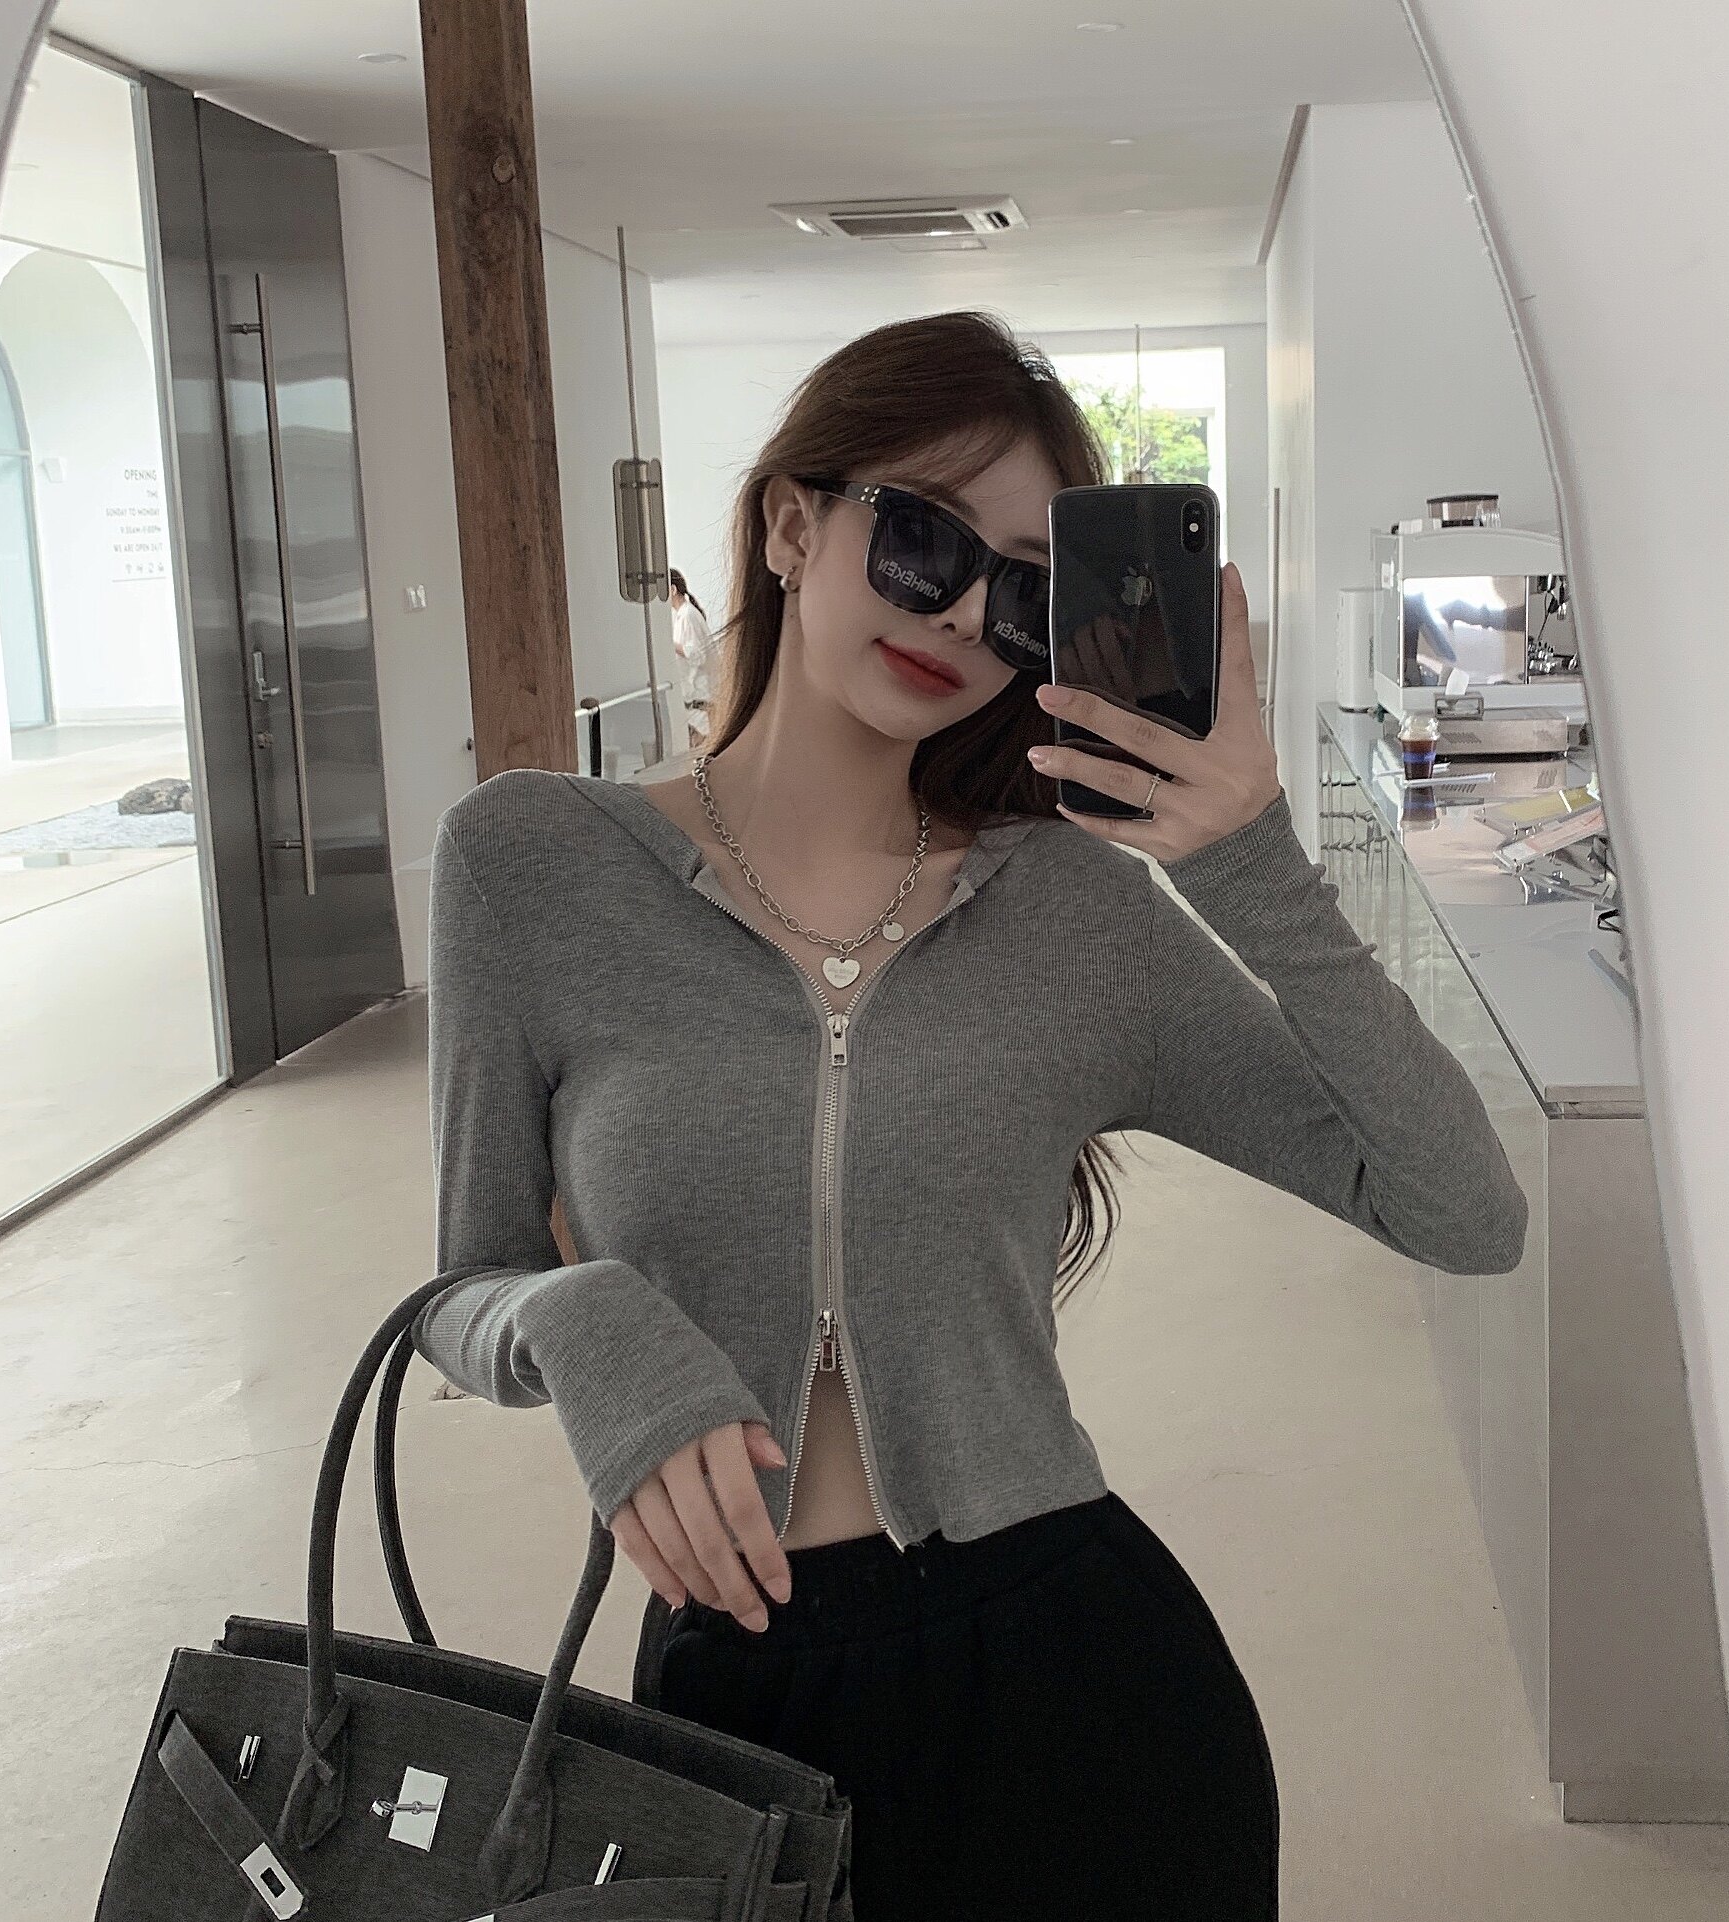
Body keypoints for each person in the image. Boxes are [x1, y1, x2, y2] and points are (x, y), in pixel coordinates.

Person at [417, 311, 1528, 1920]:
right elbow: (462, 1287)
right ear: (790, 524)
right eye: (921, 539)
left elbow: (1463, 1210)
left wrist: (1244, 854)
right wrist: (577, 1317)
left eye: (1020, 591)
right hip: (731, 1703)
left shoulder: (1069, 914)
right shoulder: (529, 864)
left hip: (1082, 1696)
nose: (957, 613)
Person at [669, 567, 716, 744]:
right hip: (695, 698)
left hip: (700, 698)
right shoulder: (682, 616)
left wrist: (669, 645)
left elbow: (697, 654)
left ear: (673, 589)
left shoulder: (688, 616)